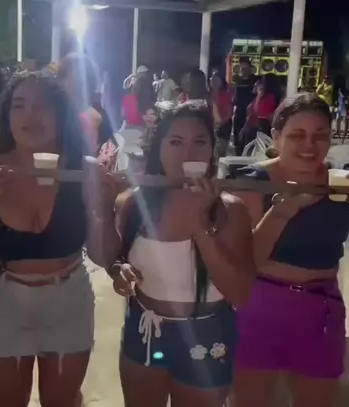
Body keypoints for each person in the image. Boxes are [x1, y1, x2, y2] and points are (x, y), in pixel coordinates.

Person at [0, 72, 117, 407]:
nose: (30, 116)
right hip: (4, 302)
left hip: (68, 299)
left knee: (62, 401)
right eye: (19, 105)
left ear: (60, 114)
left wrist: (104, 211)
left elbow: (102, 256)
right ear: (7, 115)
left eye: (42, 106)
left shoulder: (82, 172)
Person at [231, 93, 349, 407]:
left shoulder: (342, 185)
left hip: (320, 311)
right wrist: (281, 213)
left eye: (320, 136)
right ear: (276, 137)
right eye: (297, 135)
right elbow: (242, 266)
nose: (309, 146)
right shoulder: (255, 183)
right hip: (259, 308)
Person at [108, 102, 254, 407]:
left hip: (207, 334)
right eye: (175, 142)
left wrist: (200, 225)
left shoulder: (231, 210)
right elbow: (117, 259)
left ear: (212, 149)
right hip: (144, 329)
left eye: (199, 142)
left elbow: (240, 294)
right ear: (158, 148)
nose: (188, 153)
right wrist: (119, 271)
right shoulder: (133, 203)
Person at [57, 53, 116, 156]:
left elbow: (111, 150)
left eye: (74, 78)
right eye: (64, 77)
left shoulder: (98, 116)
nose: (67, 82)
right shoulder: (54, 112)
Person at [238, 80, 276, 155]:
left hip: (263, 125)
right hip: (253, 126)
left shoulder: (269, 98)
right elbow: (250, 115)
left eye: (257, 86)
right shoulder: (253, 101)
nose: (255, 88)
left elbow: (260, 111)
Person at [231, 60, 259, 147]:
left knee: (249, 142)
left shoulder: (256, 80)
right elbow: (234, 98)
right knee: (238, 141)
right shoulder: (237, 80)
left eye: (246, 68)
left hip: (251, 115)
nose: (243, 71)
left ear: (250, 69)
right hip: (239, 114)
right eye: (242, 68)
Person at [210, 73, 233, 158]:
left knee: (220, 152)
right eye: (212, 80)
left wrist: (220, 124)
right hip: (212, 126)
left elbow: (229, 113)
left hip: (223, 126)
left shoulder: (225, 95)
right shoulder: (209, 95)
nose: (213, 82)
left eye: (215, 80)